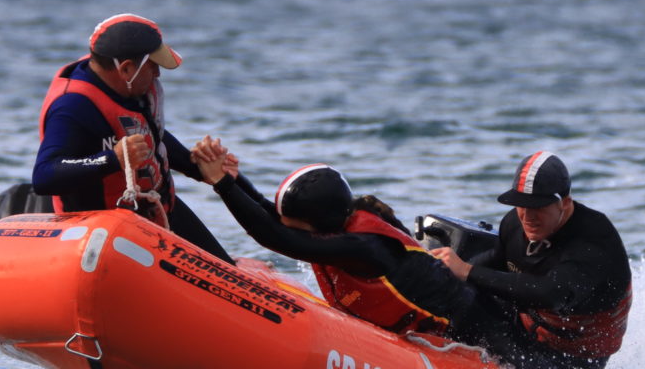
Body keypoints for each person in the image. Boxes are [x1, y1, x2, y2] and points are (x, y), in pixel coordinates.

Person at [192, 142, 470, 337]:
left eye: (295, 226)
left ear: (317, 226)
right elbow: (275, 221)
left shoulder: (363, 247)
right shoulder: (338, 222)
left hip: (471, 325)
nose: (288, 228)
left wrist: (222, 184)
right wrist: (234, 179)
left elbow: (278, 237)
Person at [30, 13, 235, 260]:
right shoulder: (72, 106)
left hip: (157, 212)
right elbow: (44, 176)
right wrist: (112, 159)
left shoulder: (130, 86)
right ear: (126, 68)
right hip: (101, 234)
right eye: (152, 65)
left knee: (224, 268)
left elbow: (150, 136)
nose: (158, 74)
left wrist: (198, 167)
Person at [430, 151, 632, 369]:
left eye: (538, 206)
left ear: (565, 203)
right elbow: (492, 265)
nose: (528, 216)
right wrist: (443, 273)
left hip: (575, 357)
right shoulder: (515, 223)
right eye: (522, 205)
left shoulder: (594, 241)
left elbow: (549, 294)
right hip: (527, 324)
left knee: (476, 300)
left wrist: (467, 270)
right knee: (462, 294)